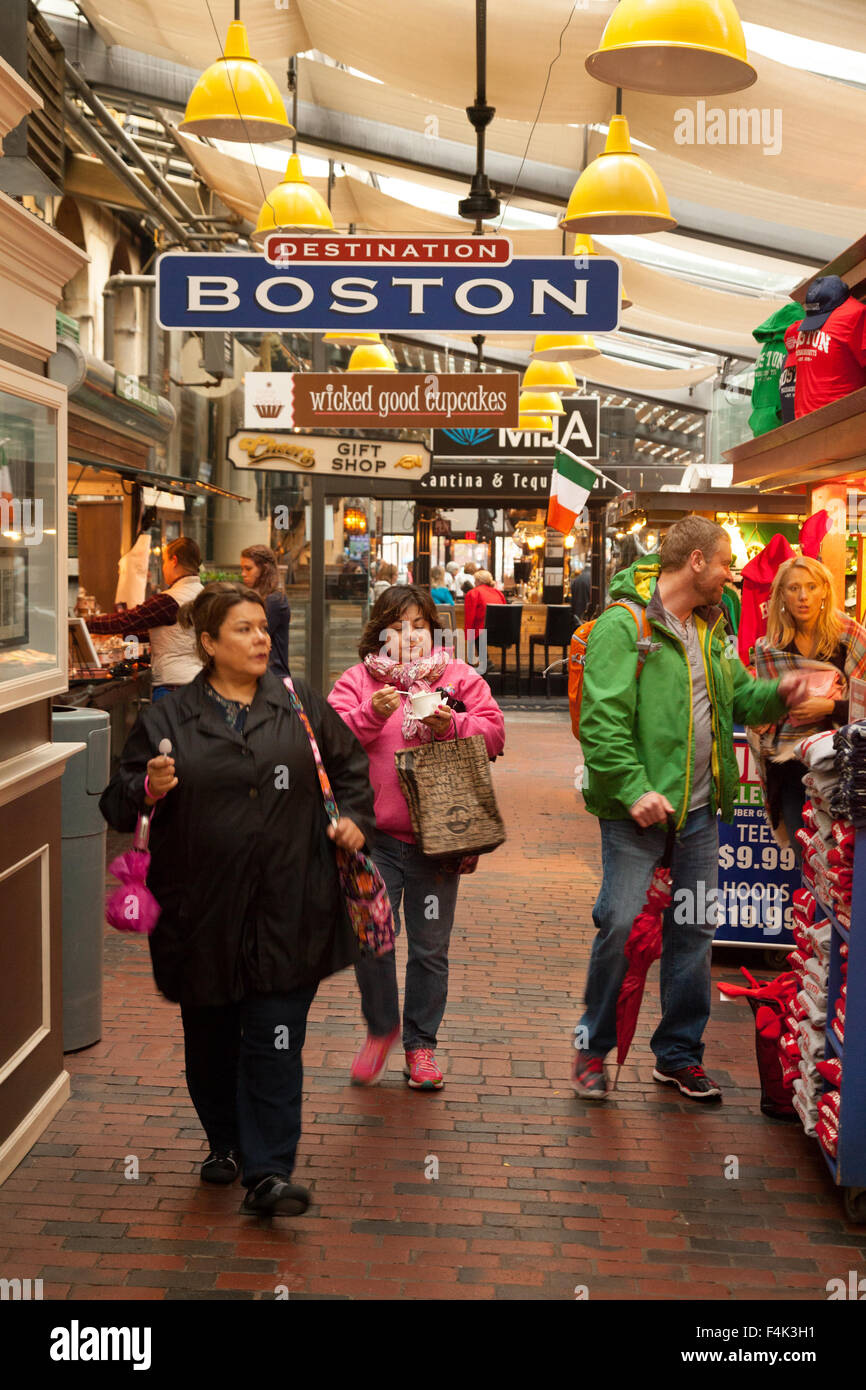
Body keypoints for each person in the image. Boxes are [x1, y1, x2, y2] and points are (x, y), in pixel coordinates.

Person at [99, 583, 375, 1217]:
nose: (261, 639)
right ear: (208, 644)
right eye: (244, 630)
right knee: (212, 1038)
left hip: (291, 904)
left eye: (262, 628)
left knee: (276, 1038)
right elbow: (116, 801)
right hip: (202, 911)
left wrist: (356, 817)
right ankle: (224, 1138)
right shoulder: (170, 719)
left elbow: (350, 767)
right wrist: (147, 783)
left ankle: (269, 1171)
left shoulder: (298, 701)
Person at [574, 516, 811, 1105]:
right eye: (726, 562)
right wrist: (633, 788)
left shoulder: (712, 624)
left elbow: (733, 696)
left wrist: (779, 692)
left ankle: (678, 1055)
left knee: (696, 929)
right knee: (622, 924)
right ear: (697, 562)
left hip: (702, 811)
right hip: (636, 813)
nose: (733, 573)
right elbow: (601, 723)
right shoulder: (622, 625)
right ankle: (591, 1046)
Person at [328, 585, 506, 1090]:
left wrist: (453, 722)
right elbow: (328, 741)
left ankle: (421, 1046)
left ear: (434, 630)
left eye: (419, 627)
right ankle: (381, 1029)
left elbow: (494, 733)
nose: (409, 637)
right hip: (373, 839)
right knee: (374, 940)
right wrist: (371, 715)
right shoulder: (358, 682)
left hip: (437, 840)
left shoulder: (458, 677)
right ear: (379, 633)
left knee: (430, 950)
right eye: (397, 627)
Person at [750, 554, 866, 856]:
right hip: (790, 771)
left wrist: (828, 709)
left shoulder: (851, 639)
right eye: (794, 588)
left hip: (843, 771)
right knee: (807, 857)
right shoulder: (770, 648)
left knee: (840, 859)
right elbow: (763, 714)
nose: (803, 597)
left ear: (825, 590)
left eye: (812, 587)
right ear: (781, 595)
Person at [87, 536, 203, 701]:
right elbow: (172, 632)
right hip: (199, 683)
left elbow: (128, 619)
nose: (163, 568)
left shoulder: (169, 600)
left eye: (164, 561)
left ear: (174, 560)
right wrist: (122, 637)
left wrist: (85, 625)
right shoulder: (203, 593)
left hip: (174, 687)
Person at [240, 543, 291, 678]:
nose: (243, 574)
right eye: (242, 568)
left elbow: (250, 639)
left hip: (273, 676)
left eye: (248, 569)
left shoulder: (273, 600)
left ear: (264, 569)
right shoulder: (262, 597)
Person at [463, 568, 505, 639]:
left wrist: (468, 635)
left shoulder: (473, 593)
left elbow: (470, 616)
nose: (474, 583)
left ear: (479, 581)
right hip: (500, 632)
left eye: (475, 580)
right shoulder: (499, 593)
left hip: (481, 633)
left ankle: (481, 650)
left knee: (479, 646)